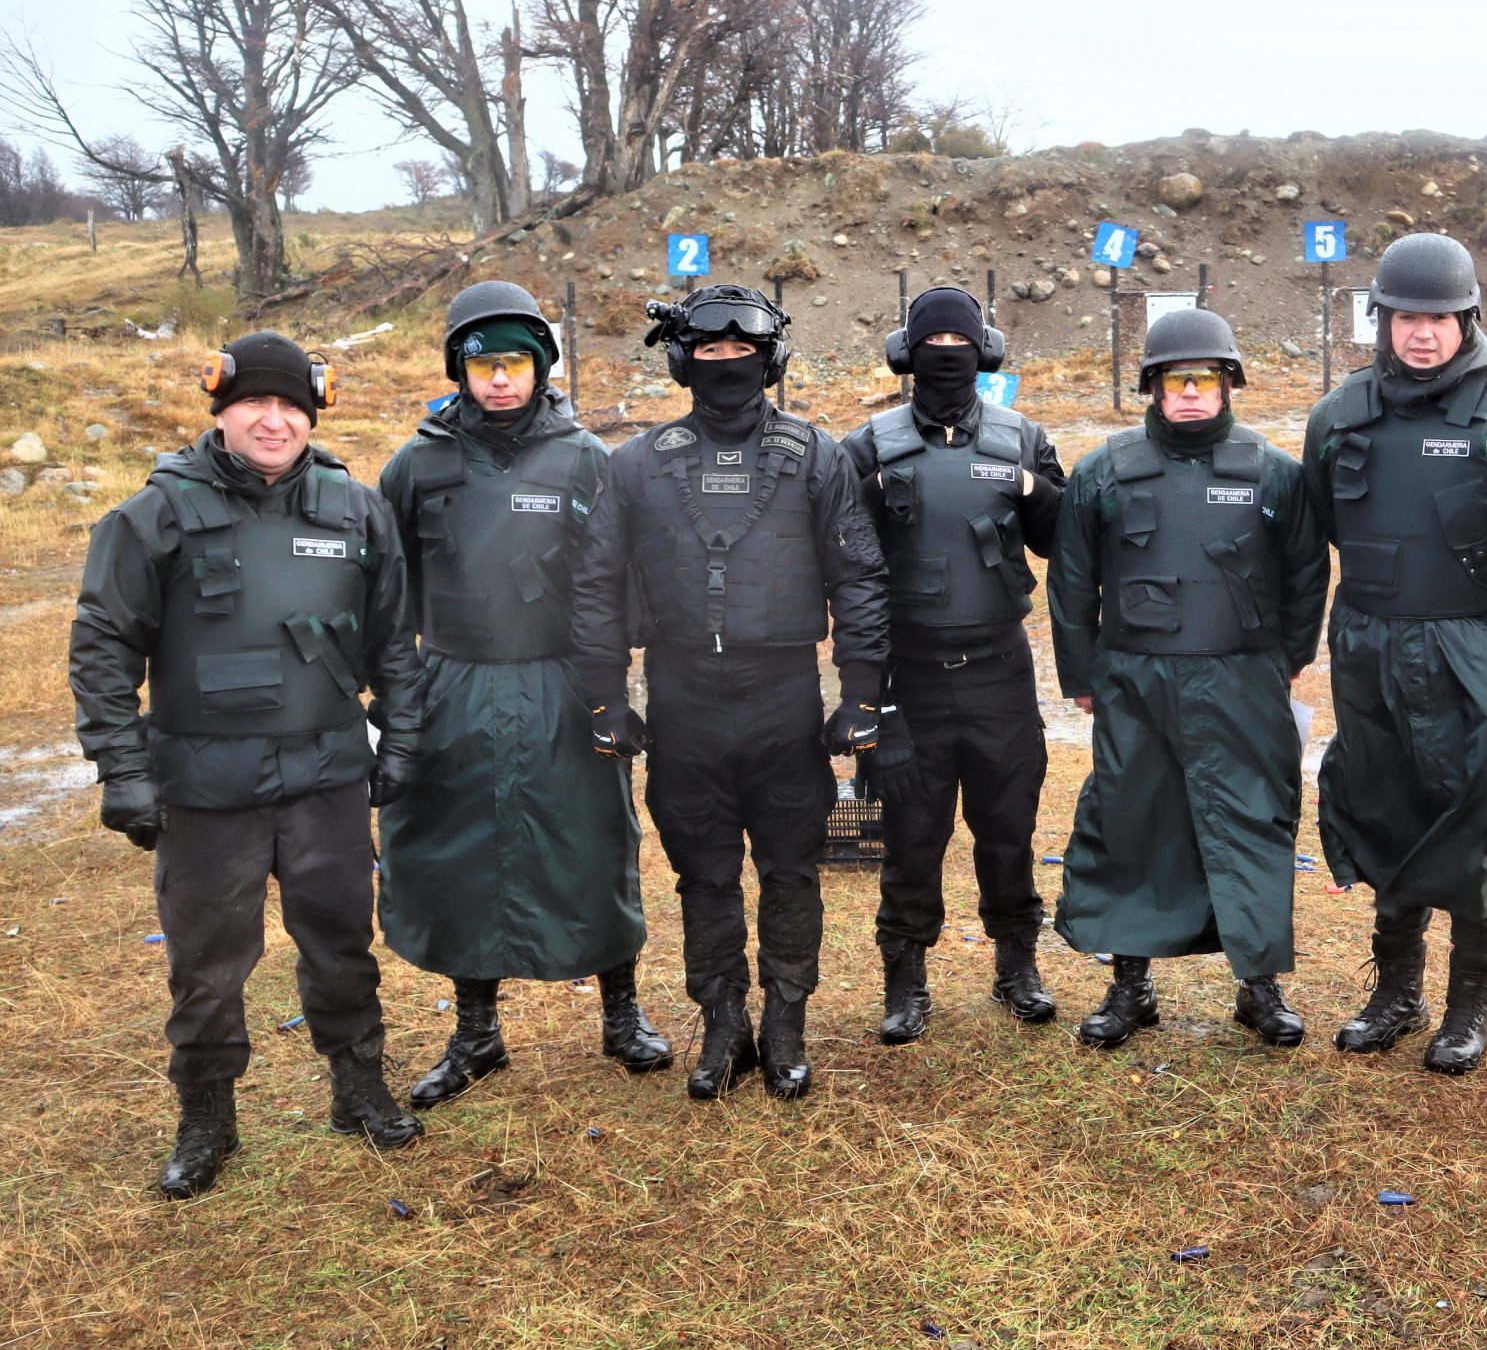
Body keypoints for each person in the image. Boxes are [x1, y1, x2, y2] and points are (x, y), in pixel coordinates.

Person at [70, 331, 427, 1197]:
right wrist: (123, 768)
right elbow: (104, 646)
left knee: (342, 939)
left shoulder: (358, 510)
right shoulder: (151, 516)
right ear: (220, 410)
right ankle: (207, 1116)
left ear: (312, 416)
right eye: (253, 405)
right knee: (206, 957)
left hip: (327, 776)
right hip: (204, 783)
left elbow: (396, 642)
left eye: (290, 407)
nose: (272, 421)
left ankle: (359, 1085)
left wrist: (405, 736)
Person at [568, 284, 894, 1101]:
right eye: (707, 351)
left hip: (784, 695)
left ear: (770, 356)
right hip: (682, 698)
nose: (725, 364)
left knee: (793, 867)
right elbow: (596, 583)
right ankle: (722, 1023)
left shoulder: (820, 456)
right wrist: (606, 696)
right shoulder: (636, 463)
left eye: (740, 350)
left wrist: (860, 692)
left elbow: (859, 578)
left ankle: (786, 1024)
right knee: (703, 872)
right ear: (683, 361)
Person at [375, 282, 668, 1110]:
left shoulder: (585, 459)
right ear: (458, 369)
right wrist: (394, 695)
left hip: (562, 683)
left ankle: (621, 1013)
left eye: (516, 362)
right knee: (457, 850)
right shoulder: (416, 464)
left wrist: (610, 686)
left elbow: (621, 582)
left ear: (541, 367)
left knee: (594, 839)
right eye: (482, 362)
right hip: (454, 683)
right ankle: (477, 1032)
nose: (499, 379)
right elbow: (383, 587)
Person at [1302, 232, 1487, 1075]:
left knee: (1472, 814)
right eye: (1404, 316)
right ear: (1380, 319)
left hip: (1481, 638)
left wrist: (1482, 622)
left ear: (1468, 318)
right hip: (1369, 637)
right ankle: (1397, 991)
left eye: (1440, 317)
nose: (1421, 333)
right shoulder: (1339, 414)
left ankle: (1469, 1004)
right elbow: (1317, 526)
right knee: (1384, 801)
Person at [1049, 308, 1329, 1049]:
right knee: (1130, 822)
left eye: (1206, 378)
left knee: (1252, 822)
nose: (1193, 392)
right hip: (1135, 681)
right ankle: (1129, 986)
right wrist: (1081, 673)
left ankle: (1258, 987)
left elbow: (1307, 572)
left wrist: (1286, 660)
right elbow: (1073, 581)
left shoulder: (1276, 472)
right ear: (1153, 387)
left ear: (1229, 383)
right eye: (1178, 379)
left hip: (1243, 678)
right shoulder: (1101, 471)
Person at [840, 288, 1066, 1043]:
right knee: (911, 832)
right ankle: (905, 981)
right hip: (912, 675)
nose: (946, 351)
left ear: (985, 350)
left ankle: (1016, 966)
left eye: (958, 339)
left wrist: (1035, 489)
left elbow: (1065, 538)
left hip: (1001, 670)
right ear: (906, 352)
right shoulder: (868, 445)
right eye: (930, 339)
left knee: (1008, 826)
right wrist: (865, 693)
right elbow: (843, 570)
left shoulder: (1022, 437)